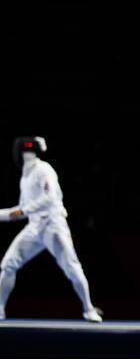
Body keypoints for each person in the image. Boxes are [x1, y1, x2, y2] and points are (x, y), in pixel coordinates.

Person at [0, 137, 102, 322]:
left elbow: (50, 198)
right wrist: (4, 214)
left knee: (71, 267)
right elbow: (22, 209)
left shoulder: (44, 169)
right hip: (34, 227)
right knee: (8, 264)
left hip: (53, 225)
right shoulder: (26, 176)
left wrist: (24, 210)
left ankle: (88, 309)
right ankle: (0, 309)